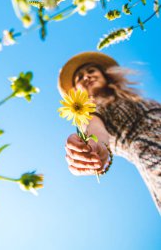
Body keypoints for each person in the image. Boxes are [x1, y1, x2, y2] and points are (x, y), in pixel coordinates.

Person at [58, 51, 161, 213]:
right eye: (79, 77)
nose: (86, 77)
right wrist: (95, 147)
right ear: (76, 91)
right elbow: (96, 131)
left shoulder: (134, 99)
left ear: (105, 74)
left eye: (91, 71)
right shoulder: (90, 111)